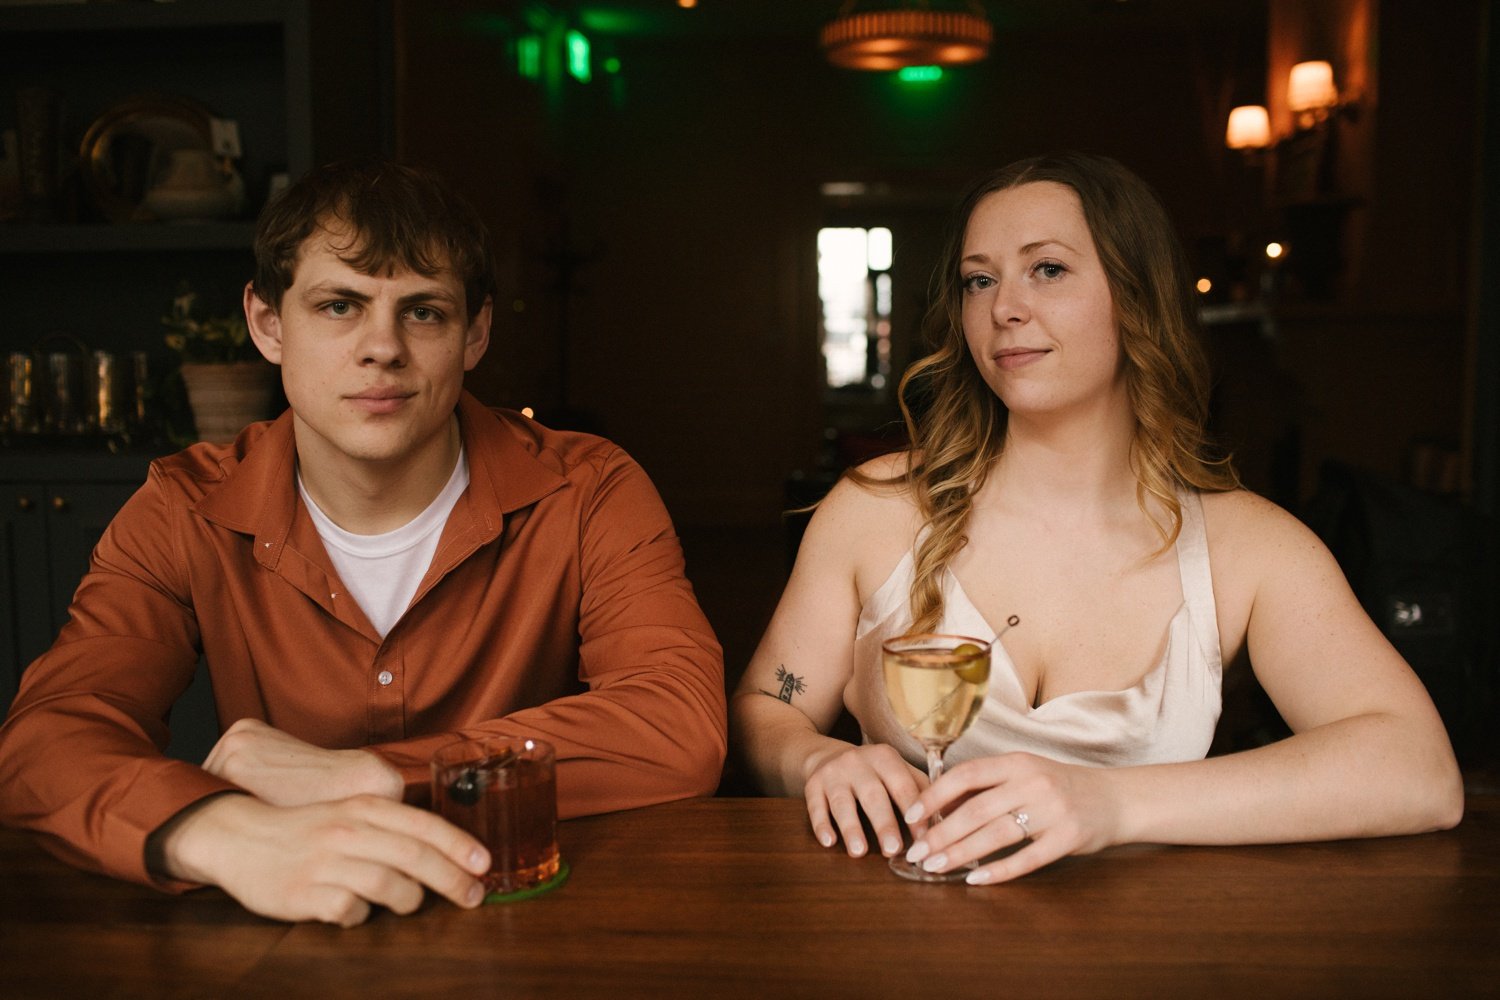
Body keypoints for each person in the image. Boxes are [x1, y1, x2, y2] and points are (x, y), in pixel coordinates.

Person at [0, 158, 726, 925]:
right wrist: (213, 829)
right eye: (339, 305)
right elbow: (46, 742)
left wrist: (375, 775)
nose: (383, 348)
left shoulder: (590, 487)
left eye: (423, 313)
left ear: (475, 332)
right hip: (292, 923)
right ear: (267, 324)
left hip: (529, 913)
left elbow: (677, 725)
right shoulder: (186, 507)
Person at [732, 153, 1463, 885]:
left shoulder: (1250, 548)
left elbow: (1420, 772)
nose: (1004, 308)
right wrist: (816, 758)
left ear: (1138, 297)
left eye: (1046, 269)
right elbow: (769, 703)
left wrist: (1109, 802)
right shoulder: (876, 507)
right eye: (979, 279)